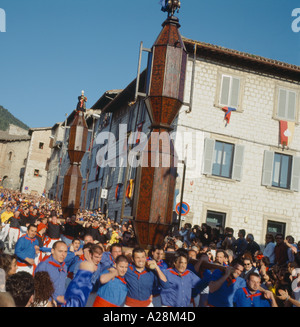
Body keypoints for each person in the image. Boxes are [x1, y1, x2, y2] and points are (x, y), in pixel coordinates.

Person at [35, 240, 68, 305]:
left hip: (60, 303)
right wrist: (54, 299)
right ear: (52, 251)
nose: (63, 254)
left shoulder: (64, 266)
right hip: (46, 303)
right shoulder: (44, 266)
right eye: (60, 251)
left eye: (65, 252)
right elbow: (38, 289)